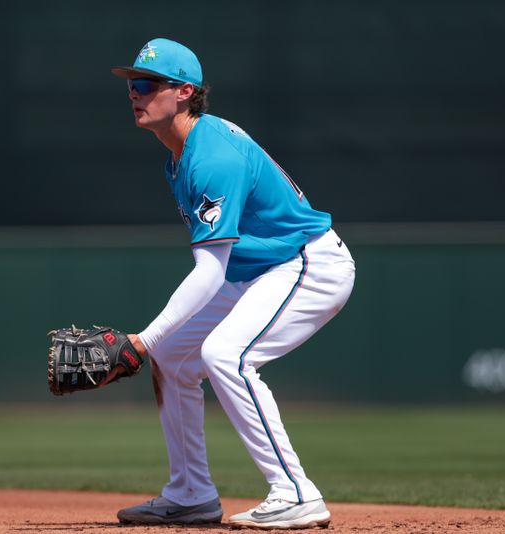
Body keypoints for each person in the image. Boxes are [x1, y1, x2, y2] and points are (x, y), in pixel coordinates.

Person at [110, 38, 355, 529]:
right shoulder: (180, 154)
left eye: (146, 84)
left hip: (307, 264)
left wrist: (138, 341)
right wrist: (152, 346)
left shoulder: (210, 156)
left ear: (184, 92)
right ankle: (190, 494)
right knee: (173, 356)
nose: (134, 93)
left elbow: (209, 272)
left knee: (226, 354)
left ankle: (296, 492)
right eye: (132, 85)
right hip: (259, 271)